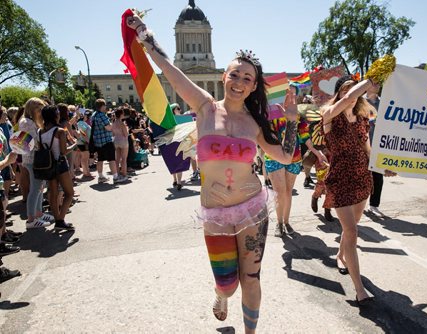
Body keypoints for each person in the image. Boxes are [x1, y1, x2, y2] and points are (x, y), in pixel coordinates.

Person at [126, 11, 298, 333]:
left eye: (248, 79)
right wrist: (146, 36)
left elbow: (286, 157)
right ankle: (221, 297)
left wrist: (290, 120)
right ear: (224, 77)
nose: (240, 82)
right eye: (235, 75)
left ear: (253, 86)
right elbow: (170, 69)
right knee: (228, 284)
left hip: (252, 209)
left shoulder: (255, 123)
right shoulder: (204, 106)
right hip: (216, 213)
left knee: (252, 278)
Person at [321, 75, 377, 306]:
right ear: (338, 94)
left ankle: (341, 255)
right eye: (345, 90)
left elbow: (367, 147)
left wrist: (381, 166)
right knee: (352, 232)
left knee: (352, 227)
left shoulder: (362, 117)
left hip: (362, 177)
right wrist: (370, 79)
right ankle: (359, 289)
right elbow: (348, 100)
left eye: (352, 90)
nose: (350, 95)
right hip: (341, 179)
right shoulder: (329, 115)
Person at [265, 107, 327, 237]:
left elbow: (304, 135)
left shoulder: (297, 111)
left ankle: (286, 222)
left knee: (288, 191)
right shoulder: (269, 110)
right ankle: (279, 223)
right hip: (274, 156)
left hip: (294, 157)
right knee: (280, 192)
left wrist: (316, 152)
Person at [19, 98, 53, 229]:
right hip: (32, 158)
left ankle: (38, 214)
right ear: (31, 109)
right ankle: (31, 219)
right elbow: (33, 141)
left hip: (35, 158)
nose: (40, 112)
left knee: (39, 188)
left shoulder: (30, 121)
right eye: (38, 109)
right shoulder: (26, 122)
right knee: (35, 188)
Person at [39, 105, 75, 231]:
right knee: (70, 193)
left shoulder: (40, 132)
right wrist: (74, 145)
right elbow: (64, 151)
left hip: (47, 165)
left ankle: (58, 219)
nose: (59, 114)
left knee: (53, 194)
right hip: (60, 164)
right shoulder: (60, 131)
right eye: (58, 112)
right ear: (55, 115)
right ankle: (60, 219)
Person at [91, 99, 127, 184]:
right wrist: (112, 125)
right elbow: (108, 128)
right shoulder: (102, 115)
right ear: (102, 106)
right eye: (105, 105)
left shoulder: (94, 115)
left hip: (98, 141)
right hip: (106, 140)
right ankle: (115, 177)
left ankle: (100, 177)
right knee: (111, 159)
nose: (106, 107)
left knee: (100, 159)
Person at [365, 83, 385, 217]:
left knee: (378, 177)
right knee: (361, 176)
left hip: (379, 146)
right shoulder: (359, 102)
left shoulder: (384, 102)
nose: (377, 85)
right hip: (363, 145)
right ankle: (357, 203)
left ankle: (374, 205)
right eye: (374, 83)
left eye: (378, 83)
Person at [112, 108, 130, 178]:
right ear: (121, 114)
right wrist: (127, 129)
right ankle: (124, 174)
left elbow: (113, 134)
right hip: (123, 141)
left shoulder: (113, 123)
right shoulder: (122, 124)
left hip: (116, 140)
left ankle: (117, 174)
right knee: (124, 159)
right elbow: (126, 134)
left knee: (117, 159)